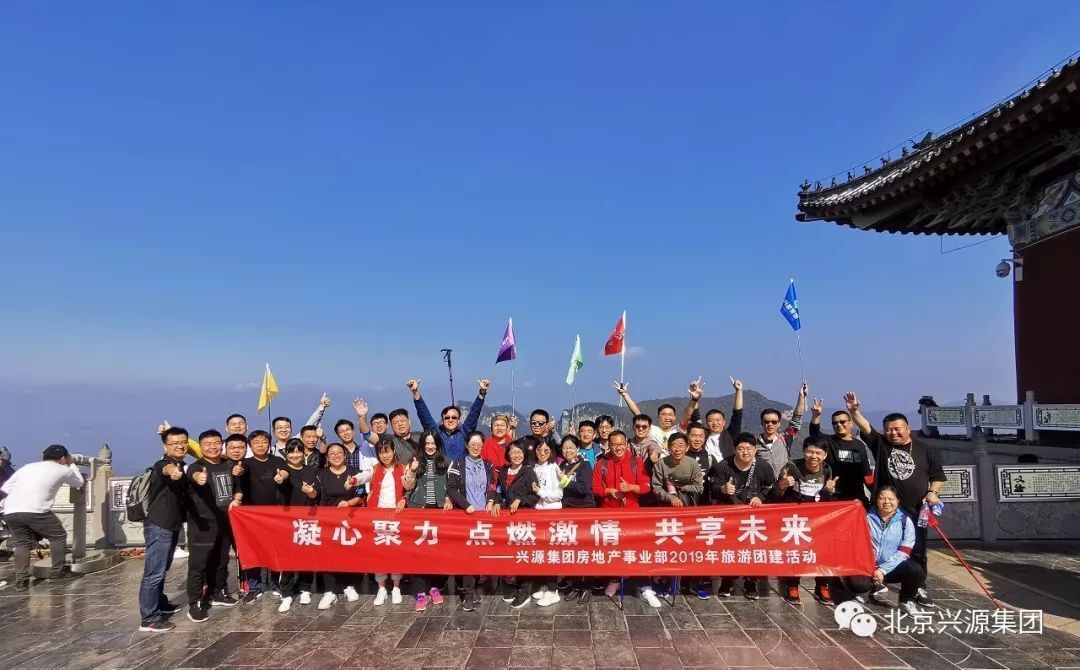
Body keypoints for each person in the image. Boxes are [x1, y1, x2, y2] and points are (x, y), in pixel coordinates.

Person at [847, 392, 945, 608]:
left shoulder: (926, 450)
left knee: (918, 550)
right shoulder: (882, 445)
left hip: (916, 509)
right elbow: (866, 427)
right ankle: (875, 581)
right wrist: (854, 411)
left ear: (908, 428)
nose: (893, 433)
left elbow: (938, 476)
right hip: (885, 510)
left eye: (897, 429)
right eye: (889, 429)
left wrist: (933, 492)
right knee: (877, 547)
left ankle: (917, 586)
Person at [1, 444, 85, 591]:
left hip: (11, 510)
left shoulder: (27, 467)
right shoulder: (63, 469)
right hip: (36, 510)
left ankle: (21, 581)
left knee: (21, 544)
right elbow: (79, 482)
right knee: (58, 536)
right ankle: (58, 571)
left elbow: (6, 488)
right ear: (63, 458)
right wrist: (72, 464)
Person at [769, 436, 840, 605]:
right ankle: (792, 584)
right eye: (810, 452)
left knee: (824, 548)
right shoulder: (791, 467)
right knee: (796, 549)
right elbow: (774, 496)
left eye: (818, 453)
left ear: (825, 455)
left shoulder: (827, 470)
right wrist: (782, 485)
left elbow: (825, 499)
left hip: (817, 519)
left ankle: (822, 585)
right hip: (793, 518)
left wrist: (829, 491)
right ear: (803, 451)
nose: (813, 456)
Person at [591, 430, 657, 606]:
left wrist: (630, 488)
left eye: (621, 444)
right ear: (609, 445)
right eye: (614, 445)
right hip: (609, 514)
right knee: (613, 549)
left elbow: (646, 486)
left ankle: (645, 586)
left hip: (632, 514)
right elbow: (595, 488)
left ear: (627, 443)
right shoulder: (602, 463)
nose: (618, 448)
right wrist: (609, 491)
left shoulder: (636, 461)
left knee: (637, 549)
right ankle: (615, 579)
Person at [710, 432, 777, 600]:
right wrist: (723, 489)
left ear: (755, 450)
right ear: (734, 449)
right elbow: (714, 488)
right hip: (730, 516)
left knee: (753, 549)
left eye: (749, 448)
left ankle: (750, 582)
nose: (745, 452)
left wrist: (760, 497)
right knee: (730, 548)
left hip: (754, 517)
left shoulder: (763, 467)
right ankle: (727, 580)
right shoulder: (724, 465)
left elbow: (771, 486)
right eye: (741, 448)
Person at [137, 427, 190, 632]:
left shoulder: (182, 465)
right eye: (174, 443)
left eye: (183, 442)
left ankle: (159, 603)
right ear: (165, 447)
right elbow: (165, 469)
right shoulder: (163, 464)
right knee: (154, 572)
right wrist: (173, 472)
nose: (179, 446)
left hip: (172, 524)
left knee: (162, 568)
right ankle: (149, 618)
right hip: (159, 525)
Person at [183, 430, 237, 622]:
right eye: (208, 444)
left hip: (225, 522)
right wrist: (199, 477)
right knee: (199, 564)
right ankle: (195, 602)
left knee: (221, 560)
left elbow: (237, 487)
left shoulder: (228, 464)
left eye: (216, 443)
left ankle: (218, 592)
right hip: (203, 524)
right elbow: (192, 475)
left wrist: (237, 498)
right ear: (201, 446)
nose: (213, 447)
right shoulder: (196, 466)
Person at [844, 486, 924, 615]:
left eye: (891, 499)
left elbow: (904, 551)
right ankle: (867, 590)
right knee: (857, 583)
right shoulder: (865, 517)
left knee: (915, 570)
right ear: (876, 500)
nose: (886, 502)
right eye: (882, 498)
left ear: (898, 500)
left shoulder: (905, 521)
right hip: (867, 566)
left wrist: (883, 570)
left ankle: (906, 601)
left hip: (891, 568)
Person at [446, 431, 500, 611]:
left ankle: (473, 588)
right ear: (466, 445)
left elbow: (493, 485)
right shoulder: (458, 464)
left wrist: (491, 500)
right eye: (472, 444)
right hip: (466, 516)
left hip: (483, 517)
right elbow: (451, 488)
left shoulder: (488, 464)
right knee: (468, 556)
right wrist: (465, 505)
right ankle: (468, 593)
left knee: (478, 555)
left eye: (479, 444)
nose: (476, 447)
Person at [234, 429, 290, 602]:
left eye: (264, 442)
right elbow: (240, 472)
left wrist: (282, 476)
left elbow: (285, 471)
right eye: (256, 442)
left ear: (269, 444)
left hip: (275, 514)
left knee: (276, 550)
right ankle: (254, 587)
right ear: (250, 446)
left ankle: (275, 583)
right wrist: (238, 471)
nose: (260, 445)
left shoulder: (277, 460)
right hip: (252, 516)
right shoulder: (246, 463)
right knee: (254, 551)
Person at [650, 432, 706, 600]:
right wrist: (670, 497)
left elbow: (699, 487)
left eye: (681, 445)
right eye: (674, 445)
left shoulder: (692, 464)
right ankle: (665, 582)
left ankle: (693, 583)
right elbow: (656, 487)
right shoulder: (661, 464)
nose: (677, 449)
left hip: (688, 512)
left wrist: (681, 489)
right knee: (667, 547)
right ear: (668, 448)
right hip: (666, 513)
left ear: (687, 447)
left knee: (690, 547)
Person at [405, 429, 454, 611]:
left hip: (440, 511)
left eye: (433, 443)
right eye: (427, 443)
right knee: (419, 552)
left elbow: (452, 485)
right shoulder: (414, 460)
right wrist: (412, 470)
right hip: (419, 510)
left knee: (439, 552)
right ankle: (420, 592)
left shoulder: (447, 462)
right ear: (422, 445)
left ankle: (435, 587)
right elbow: (407, 486)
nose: (430, 446)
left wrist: (448, 498)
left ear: (438, 445)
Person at [314, 443, 362, 610]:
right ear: (327, 457)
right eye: (332, 453)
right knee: (328, 554)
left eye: (339, 452)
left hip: (350, 521)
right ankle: (330, 591)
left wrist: (349, 503)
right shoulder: (321, 474)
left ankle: (349, 585)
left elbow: (362, 494)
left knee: (349, 553)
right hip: (327, 521)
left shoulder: (354, 473)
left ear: (345, 455)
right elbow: (316, 495)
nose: (336, 456)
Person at [277, 438, 320, 612]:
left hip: (307, 519)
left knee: (306, 554)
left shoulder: (311, 470)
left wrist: (310, 492)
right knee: (287, 556)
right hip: (286, 519)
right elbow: (281, 479)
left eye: (298, 451)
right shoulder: (282, 470)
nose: (295, 455)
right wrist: (280, 478)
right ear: (286, 453)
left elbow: (316, 494)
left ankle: (305, 589)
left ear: (303, 453)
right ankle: (287, 593)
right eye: (291, 451)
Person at [808, 397, 873, 508]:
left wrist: (877, 493)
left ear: (850, 423)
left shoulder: (860, 445)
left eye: (842, 422)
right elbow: (814, 434)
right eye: (835, 423)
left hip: (857, 499)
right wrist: (816, 416)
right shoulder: (828, 441)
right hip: (834, 498)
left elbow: (866, 473)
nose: (838, 425)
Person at [369, 441, 412, 608]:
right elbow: (364, 477)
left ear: (394, 451)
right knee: (378, 552)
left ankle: (396, 587)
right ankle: (381, 588)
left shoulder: (403, 468)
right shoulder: (375, 469)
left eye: (387, 451)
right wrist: (354, 480)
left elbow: (409, 487)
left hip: (396, 517)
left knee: (395, 552)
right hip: (377, 516)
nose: (384, 455)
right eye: (381, 452)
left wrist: (404, 498)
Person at [498, 441, 539, 609]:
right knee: (512, 554)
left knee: (523, 555)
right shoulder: (503, 471)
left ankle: (525, 591)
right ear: (508, 454)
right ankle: (515, 586)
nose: (516, 455)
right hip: (508, 518)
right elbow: (499, 491)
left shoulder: (529, 471)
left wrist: (520, 500)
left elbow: (535, 496)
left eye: (519, 452)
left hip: (524, 518)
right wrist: (495, 501)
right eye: (513, 452)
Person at [409, 378, 490, 461]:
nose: (450, 420)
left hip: (461, 469)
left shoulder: (464, 432)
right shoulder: (437, 433)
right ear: (442, 420)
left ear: (459, 420)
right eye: (447, 417)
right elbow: (424, 416)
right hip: (442, 468)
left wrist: (482, 393)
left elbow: (474, 413)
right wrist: (415, 393)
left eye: (454, 417)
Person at [558, 435, 595, 603]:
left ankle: (587, 587)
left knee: (586, 551)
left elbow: (584, 488)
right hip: (568, 512)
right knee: (571, 551)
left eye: (571, 447)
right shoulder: (561, 466)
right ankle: (575, 585)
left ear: (577, 449)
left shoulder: (584, 465)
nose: (568, 450)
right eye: (565, 447)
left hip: (585, 511)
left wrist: (565, 481)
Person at [527, 440, 563, 606]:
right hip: (538, 513)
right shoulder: (533, 468)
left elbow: (559, 494)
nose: (542, 453)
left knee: (552, 552)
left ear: (551, 452)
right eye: (539, 450)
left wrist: (540, 491)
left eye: (546, 450)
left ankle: (553, 590)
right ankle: (544, 585)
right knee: (540, 551)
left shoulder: (554, 467)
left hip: (552, 513)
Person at [617, 381, 698, 452]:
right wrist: (625, 395)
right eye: (664, 414)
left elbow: (687, 415)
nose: (667, 418)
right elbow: (637, 413)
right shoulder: (651, 430)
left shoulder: (678, 430)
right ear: (659, 416)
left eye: (670, 415)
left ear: (674, 417)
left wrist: (694, 399)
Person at [757, 382, 808, 480]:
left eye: (774, 422)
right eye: (766, 421)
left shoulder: (785, 438)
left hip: (785, 484)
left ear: (779, 423)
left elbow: (796, 420)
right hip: (764, 486)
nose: (770, 424)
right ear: (762, 423)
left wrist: (801, 397)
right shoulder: (754, 443)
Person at [704, 377, 745, 462]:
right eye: (711, 420)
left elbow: (737, 414)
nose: (715, 423)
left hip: (728, 469)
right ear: (706, 423)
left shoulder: (730, 434)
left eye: (718, 420)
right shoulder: (702, 437)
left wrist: (739, 391)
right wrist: (695, 399)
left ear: (723, 422)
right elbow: (695, 417)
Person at [685, 422, 713, 504]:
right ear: (687, 436)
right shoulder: (680, 455)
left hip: (704, 502)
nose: (697, 439)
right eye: (694, 435)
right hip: (685, 501)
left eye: (701, 436)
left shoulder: (709, 457)